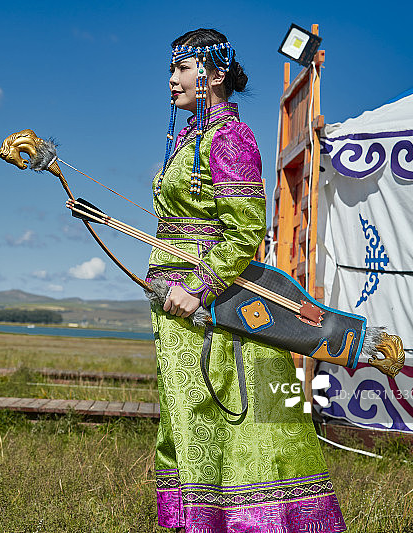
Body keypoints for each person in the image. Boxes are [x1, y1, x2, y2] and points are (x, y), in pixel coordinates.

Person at [148, 28, 347, 532]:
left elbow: (244, 230)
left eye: (182, 69)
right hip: (176, 307)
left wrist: (199, 288)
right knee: (190, 420)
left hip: (206, 306)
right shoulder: (192, 137)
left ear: (213, 75)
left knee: (221, 419)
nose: (172, 80)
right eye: (171, 70)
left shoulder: (231, 137)